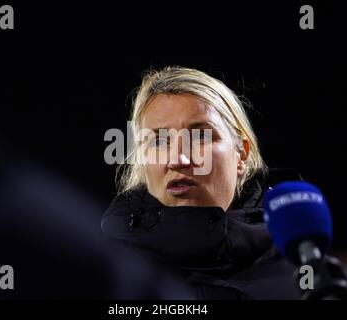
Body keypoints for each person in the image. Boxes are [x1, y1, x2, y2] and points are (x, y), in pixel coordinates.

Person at [101, 66, 316, 299]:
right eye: (159, 141)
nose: (178, 160)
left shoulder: (304, 267)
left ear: (242, 154)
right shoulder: (106, 273)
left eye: (200, 136)